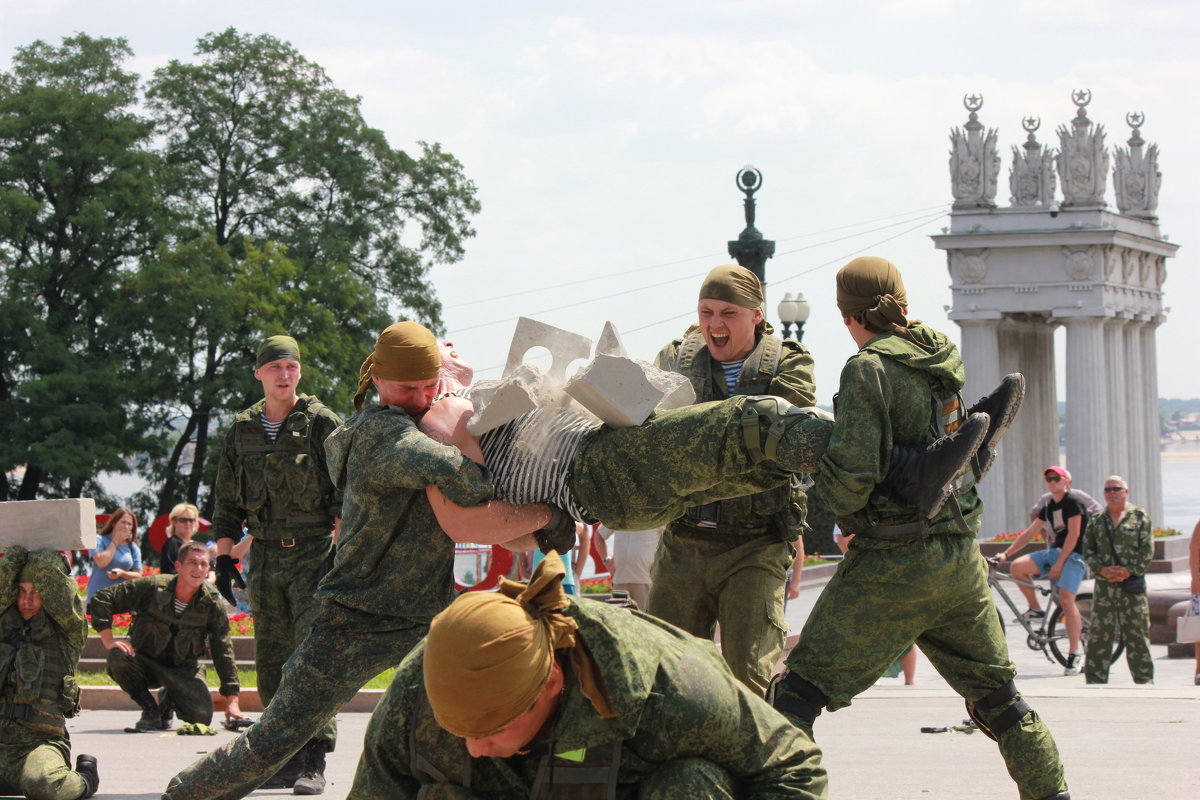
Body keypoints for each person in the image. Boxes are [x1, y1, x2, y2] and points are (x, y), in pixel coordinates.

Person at [163, 321, 568, 800]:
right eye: (406, 387)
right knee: (277, 733)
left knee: (490, 711)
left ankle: (567, 774)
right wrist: (460, 400)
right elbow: (469, 479)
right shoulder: (382, 435)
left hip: (425, 618)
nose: (419, 397)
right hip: (356, 617)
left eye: (427, 385)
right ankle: (185, 793)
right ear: (376, 380)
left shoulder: (418, 421)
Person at [771, 256, 1068, 800]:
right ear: (903, 305)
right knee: (1000, 701)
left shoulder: (868, 370)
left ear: (845, 316)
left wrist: (828, 481)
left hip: (892, 563)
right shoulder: (941, 356)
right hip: (958, 559)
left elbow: (851, 481)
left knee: (794, 697)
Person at [349, 557, 828, 799]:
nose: (473, 747)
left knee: (691, 785)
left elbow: (795, 770)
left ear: (552, 682)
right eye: (460, 730)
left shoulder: (666, 685)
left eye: (491, 728)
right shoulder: (422, 685)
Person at [643, 264, 815, 696]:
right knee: (667, 677)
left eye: (728, 313)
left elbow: (780, 444)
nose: (714, 325)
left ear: (756, 314)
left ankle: (759, 761)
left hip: (755, 545)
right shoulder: (675, 359)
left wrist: (692, 441)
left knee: (749, 676)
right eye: (706, 312)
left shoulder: (789, 363)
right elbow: (647, 433)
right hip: (684, 541)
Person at [209, 334, 344, 792]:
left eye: (291, 367)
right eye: (275, 368)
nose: (284, 376)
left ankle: (313, 758)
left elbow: (345, 497)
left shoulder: (322, 424)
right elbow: (226, 502)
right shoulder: (240, 431)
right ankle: (283, 754)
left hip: (313, 555)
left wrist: (339, 557)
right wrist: (225, 560)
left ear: (299, 372)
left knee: (312, 659)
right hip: (264, 558)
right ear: (259, 374)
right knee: (271, 661)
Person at [88, 540, 245, 734]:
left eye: (203, 564)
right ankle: (149, 709)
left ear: (208, 570)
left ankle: (167, 702)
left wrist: (233, 701)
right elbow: (101, 599)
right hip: (145, 662)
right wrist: (108, 640)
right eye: (192, 563)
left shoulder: (212, 603)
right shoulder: (153, 587)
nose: (198, 569)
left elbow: (223, 649)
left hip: (183, 668)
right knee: (117, 657)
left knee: (201, 716)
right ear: (178, 566)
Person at [0, 546, 99, 800]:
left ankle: (85, 780)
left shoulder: (67, 633)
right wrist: (11, 559)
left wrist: (28, 548)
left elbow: (48, 569)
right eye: (21, 591)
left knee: (43, 783)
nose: (27, 600)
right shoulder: (3, 628)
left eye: (36, 592)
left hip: (39, 744)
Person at [997, 465, 1089, 675]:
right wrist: (1006, 554)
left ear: (1067, 482)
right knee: (1017, 568)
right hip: (1055, 552)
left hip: (1074, 556)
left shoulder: (1074, 503)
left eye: (1057, 478)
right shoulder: (1049, 506)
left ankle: (1075, 653)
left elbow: (1074, 536)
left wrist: (1059, 564)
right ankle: (1036, 610)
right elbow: (1029, 533)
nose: (1052, 482)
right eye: (1049, 479)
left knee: (1066, 600)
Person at [1082, 476, 1153, 684]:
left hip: (1131, 587)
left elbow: (1147, 550)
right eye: (1108, 489)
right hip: (1105, 588)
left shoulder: (1139, 517)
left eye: (1116, 488)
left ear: (1126, 491)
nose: (1112, 492)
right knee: (1099, 635)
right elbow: (1088, 550)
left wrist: (1128, 571)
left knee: (1138, 634)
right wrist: (1102, 570)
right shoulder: (1096, 520)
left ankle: (1144, 680)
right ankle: (1095, 681)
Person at [594, 524, 661, 610]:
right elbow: (599, 535)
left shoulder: (656, 513)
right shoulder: (619, 513)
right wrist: (606, 560)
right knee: (618, 621)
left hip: (645, 580)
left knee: (643, 621)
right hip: (620, 581)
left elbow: (670, 539)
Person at [85, 508, 141, 602]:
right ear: (114, 523)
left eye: (129, 524)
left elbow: (138, 575)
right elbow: (101, 562)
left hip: (120, 600)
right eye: (123, 522)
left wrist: (123, 573)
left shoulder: (133, 547)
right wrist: (115, 541)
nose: (126, 527)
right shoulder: (99, 540)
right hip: (97, 598)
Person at [159, 503, 201, 576]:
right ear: (174, 521)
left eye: (191, 520)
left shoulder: (198, 546)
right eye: (183, 520)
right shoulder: (171, 544)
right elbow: (169, 573)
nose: (188, 523)